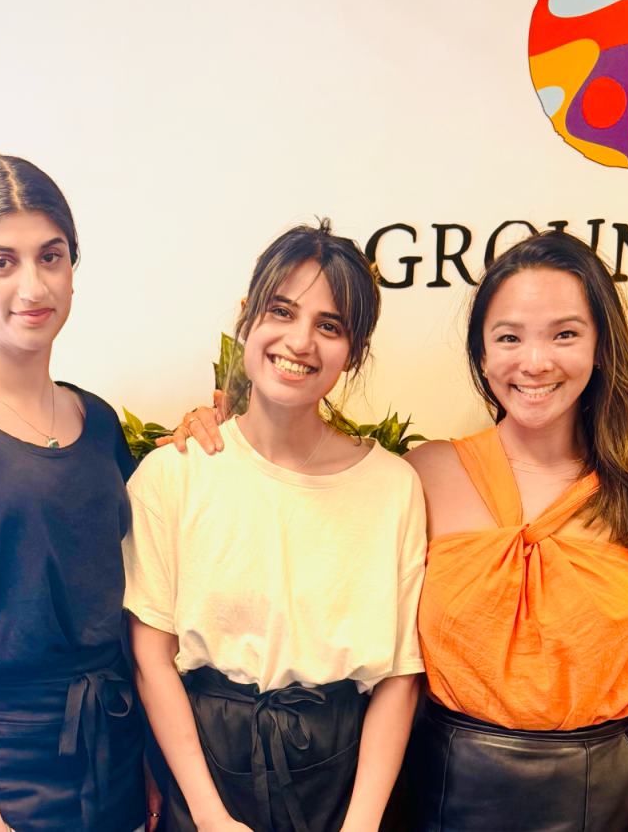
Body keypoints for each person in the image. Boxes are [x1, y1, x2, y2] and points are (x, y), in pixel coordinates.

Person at [0, 155, 216, 832]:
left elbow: (125, 614)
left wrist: (147, 762)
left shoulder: (100, 424)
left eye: (51, 257)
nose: (33, 285)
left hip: (112, 755)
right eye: (2, 261)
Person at [123, 220, 427, 832]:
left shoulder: (394, 486)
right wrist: (209, 818)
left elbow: (400, 675)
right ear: (247, 318)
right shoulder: (172, 474)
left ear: (355, 351)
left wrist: (361, 825)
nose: (300, 341)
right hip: (204, 767)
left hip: (344, 775)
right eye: (281, 311)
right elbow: (150, 656)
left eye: (330, 325)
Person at [402, 231, 628, 832]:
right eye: (508, 337)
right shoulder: (423, 474)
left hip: (603, 798)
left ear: (600, 345)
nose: (534, 362)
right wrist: (223, 421)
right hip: (442, 794)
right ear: (482, 355)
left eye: (564, 334)